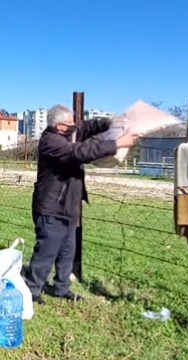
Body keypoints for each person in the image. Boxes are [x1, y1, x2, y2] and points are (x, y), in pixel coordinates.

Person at [22, 104, 138, 303]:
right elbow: (80, 152)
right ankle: (32, 290)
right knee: (46, 251)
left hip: (67, 205)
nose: (75, 125)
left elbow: (87, 127)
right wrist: (117, 143)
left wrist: (110, 123)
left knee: (67, 251)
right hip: (52, 207)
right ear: (59, 126)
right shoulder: (51, 142)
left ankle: (61, 288)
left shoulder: (68, 133)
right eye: (70, 122)